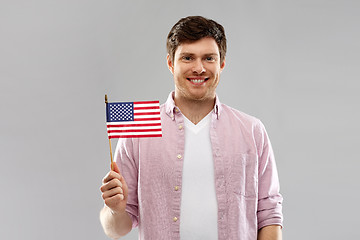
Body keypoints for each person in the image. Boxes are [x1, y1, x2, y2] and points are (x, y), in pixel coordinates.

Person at [100, 16, 283, 240]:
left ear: (222, 64)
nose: (199, 68)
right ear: (170, 63)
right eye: (188, 58)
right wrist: (115, 210)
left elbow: (269, 214)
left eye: (208, 58)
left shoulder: (252, 131)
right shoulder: (138, 130)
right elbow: (115, 229)